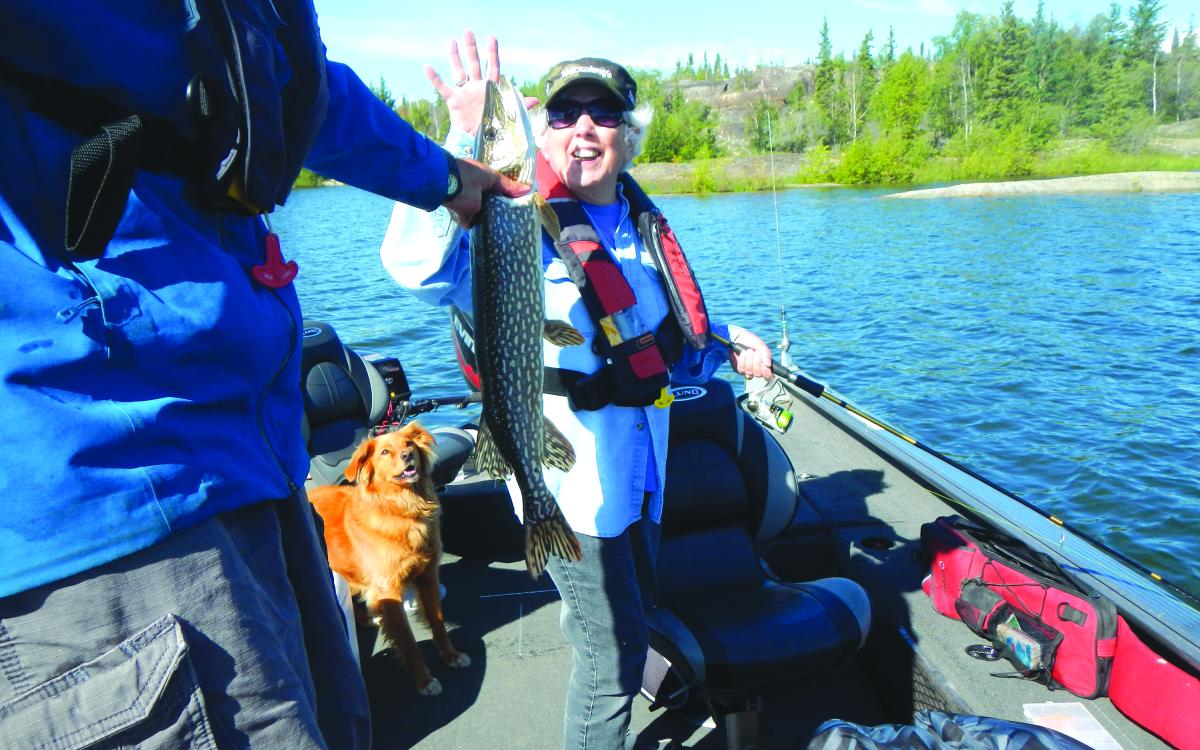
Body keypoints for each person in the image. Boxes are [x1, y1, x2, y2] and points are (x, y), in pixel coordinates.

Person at [0, 8, 522, 750]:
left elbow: (290, 84)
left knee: (334, 726)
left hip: (254, 460)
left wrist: (443, 174)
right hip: (101, 483)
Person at [381, 33, 775, 750]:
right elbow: (413, 269)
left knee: (635, 610)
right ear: (542, 134)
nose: (584, 127)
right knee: (607, 661)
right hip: (570, 488)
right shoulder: (507, 216)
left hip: (642, 477)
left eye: (603, 113)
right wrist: (462, 140)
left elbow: (661, 348)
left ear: (629, 136)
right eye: (564, 114)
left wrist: (725, 344)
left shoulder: (640, 229)